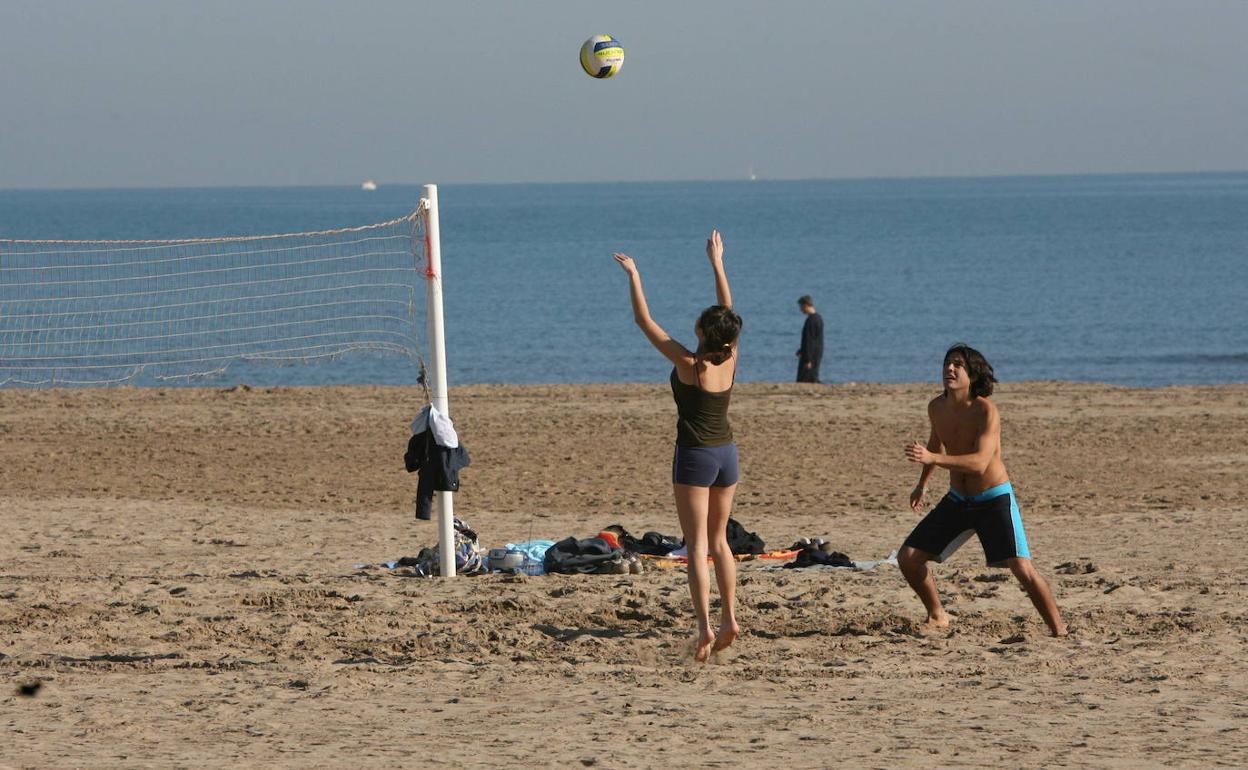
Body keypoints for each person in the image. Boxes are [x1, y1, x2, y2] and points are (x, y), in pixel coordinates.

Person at [612, 230, 743, 662]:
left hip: (695, 457)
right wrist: (717, 263)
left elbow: (644, 323)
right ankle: (730, 619)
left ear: (704, 332)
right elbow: (729, 312)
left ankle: (706, 627)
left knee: (697, 547)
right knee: (721, 542)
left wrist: (635, 275)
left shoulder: (690, 365)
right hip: (727, 454)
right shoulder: (731, 356)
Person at [900, 343, 1067, 637]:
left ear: (973, 375)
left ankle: (1059, 630)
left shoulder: (986, 411)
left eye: (957, 365)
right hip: (958, 500)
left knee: (1022, 569)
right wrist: (923, 483)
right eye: (947, 363)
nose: (949, 369)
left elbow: (979, 462)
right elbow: (936, 444)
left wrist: (932, 458)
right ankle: (938, 615)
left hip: (993, 499)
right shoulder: (936, 407)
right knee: (909, 558)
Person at [795, 295, 823, 383]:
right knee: (812, 376)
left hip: (810, 356)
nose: (801, 309)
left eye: (801, 307)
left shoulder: (811, 320)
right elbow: (814, 340)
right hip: (815, 353)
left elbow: (809, 341)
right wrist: (801, 350)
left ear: (806, 305)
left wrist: (808, 359)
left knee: (806, 379)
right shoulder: (818, 318)